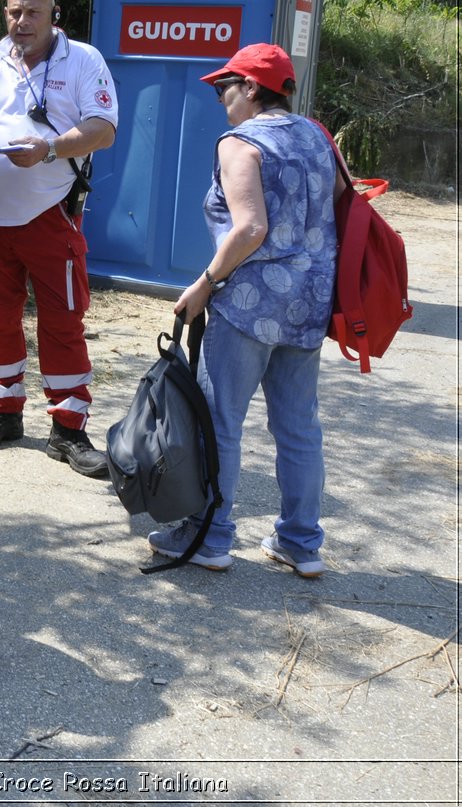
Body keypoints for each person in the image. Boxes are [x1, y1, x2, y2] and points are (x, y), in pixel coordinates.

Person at [152, 43, 339, 575]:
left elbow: (250, 228)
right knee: (299, 428)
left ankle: (209, 538)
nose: (220, 99)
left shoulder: (241, 142)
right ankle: (301, 543)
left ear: (252, 88)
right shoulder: (316, 136)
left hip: (250, 306)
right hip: (307, 306)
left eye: (223, 88)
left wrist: (205, 284)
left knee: (221, 421)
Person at [0, 0, 117, 478]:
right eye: (14, 12)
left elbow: (103, 130)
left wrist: (51, 149)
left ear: (53, 14)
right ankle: (4, 414)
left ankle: (68, 430)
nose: (22, 22)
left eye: (32, 13)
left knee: (62, 320)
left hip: (50, 212)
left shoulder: (83, 60)